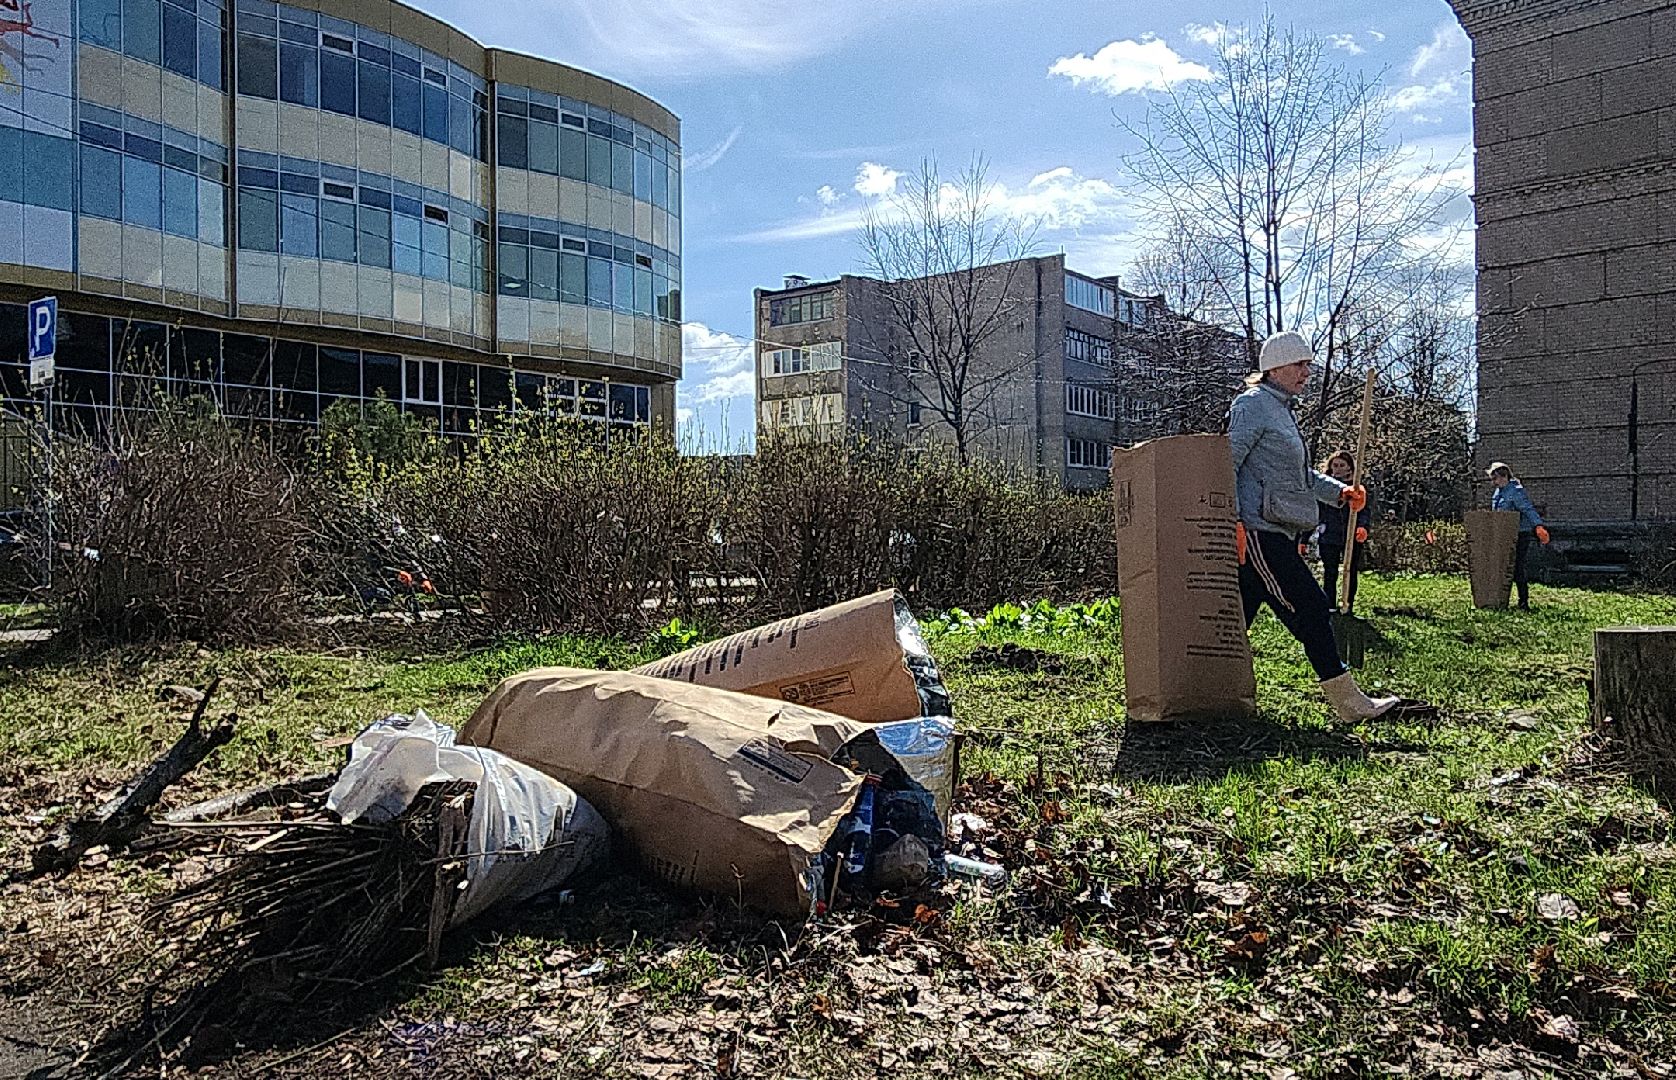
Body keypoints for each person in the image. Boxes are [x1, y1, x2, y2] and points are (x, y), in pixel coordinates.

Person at [1229, 331, 1400, 722]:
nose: (1308, 371)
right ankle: (1350, 704)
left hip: (1279, 529)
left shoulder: (1281, 409)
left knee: (1235, 621)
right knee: (1311, 609)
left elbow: (1300, 475)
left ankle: (1204, 695)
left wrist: (1341, 493)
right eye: (1300, 364)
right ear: (1275, 368)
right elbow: (1226, 463)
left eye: (1308, 363)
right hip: (1258, 532)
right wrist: (1235, 522)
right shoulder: (1253, 405)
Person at [1487, 461, 1550, 610]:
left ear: (1504, 476)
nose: (1493, 482)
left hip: (1520, 534)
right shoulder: (1499, 492)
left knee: (1517, 567)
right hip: (1505, 534)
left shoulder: (1516, 491)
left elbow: (1528, 509)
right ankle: (1501, 600)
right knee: (1504, 567)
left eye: (1494, 478)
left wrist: (1538, 526)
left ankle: (1523, 602)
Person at [1317, 450, 1370, 610]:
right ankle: (1329, 604)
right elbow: (1317, 512)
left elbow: (1364, 510)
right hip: (1329, 534)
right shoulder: (1324, 487)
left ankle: (1348, 603)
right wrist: (1304, 538)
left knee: (1351, 570)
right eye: (1335, 465)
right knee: (1330, 571)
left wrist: (1362, 527)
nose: (1338, 468)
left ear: (1349, 468)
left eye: (1342, 465)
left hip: (1351, 534)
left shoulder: (1357, 488)